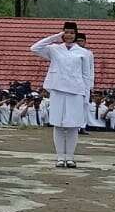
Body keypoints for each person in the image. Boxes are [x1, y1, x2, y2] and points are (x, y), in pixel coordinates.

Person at [30, 27, 88, 167]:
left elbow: (87, 75)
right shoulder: (55, 49)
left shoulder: (84, 53)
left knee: (73, 126)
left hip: (76, 91)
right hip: (57, 89)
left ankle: (70, 157)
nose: (69, 35)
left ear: (76, 35)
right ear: (63, 33)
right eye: (66, 32)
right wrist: (55, 37)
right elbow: (35, 48)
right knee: (58, 124)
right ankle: (60, 157)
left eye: (72, 33)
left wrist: (87, 94)